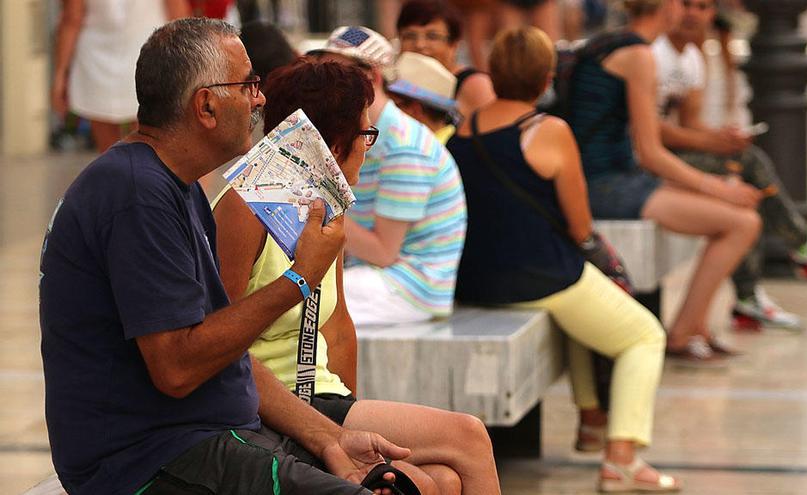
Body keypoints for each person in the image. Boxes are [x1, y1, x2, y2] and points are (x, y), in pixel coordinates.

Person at [39, 18, 414, 495]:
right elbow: (177, 369)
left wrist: (332, 439)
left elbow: (224, 351)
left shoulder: (173, 185)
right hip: (147, 459)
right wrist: (300, 278)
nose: (259, 98)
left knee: (408, 481)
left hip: (206, 435)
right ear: (207, 105)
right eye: (248, 85)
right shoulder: (136, 194)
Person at [213, 57, 500, 495]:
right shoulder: (243, 207)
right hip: (272, 404)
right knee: (467, 437)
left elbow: (339, 328)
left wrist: (354, 427)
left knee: (440, 479)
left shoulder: (325, 206)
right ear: (335, 140)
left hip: (322, 396)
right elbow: (221, 343)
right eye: (365, 134)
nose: (369, 146)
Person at [447, 26, 680, 493]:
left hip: (475, 280)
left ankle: (592, 422)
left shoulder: (460, 133)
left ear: (492, 73)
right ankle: (622, 460)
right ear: (547, 77)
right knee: (644, 336)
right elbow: (580, 227)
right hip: (541, 276)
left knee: (584, 317)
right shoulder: (549, 131)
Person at [564, 0, 762, 364]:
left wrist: (713, 185)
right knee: (742, 222)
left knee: (736, 208)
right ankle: (685, 332)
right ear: (668, 6)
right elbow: (650, 151)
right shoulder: (639, 54)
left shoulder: (609, 42)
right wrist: (717, 189)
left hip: (608, 178)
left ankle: (694, 327)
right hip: (606, 186)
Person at [654, 0, 807, 330]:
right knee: (746, 166)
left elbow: (689, 123)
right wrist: (714, 145)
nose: (693, 14)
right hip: (647, 161)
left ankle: (751, 294)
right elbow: (651, 133)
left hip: (670, 154)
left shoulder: (692, 58)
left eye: (703, 7)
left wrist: (723, 137)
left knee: (745, 185)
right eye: (686, 5)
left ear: (714, 15)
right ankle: (797, 243)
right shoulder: (652, 54)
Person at [310, 26, 468, 327]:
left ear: (372, 78)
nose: (323, 84)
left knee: (299, 304)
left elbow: (383, 252)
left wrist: (316, 205)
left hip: (410, 288)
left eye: (335, 74)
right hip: (381, 278)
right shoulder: (366, 133)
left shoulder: (403, 146)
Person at [51, 0, 190, 153]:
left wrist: (60, 73)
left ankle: (119, 175)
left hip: (96, 58)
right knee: (149, 146)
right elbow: (178, 14)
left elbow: (72, 18)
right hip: (149, 51)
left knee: (108, 152)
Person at [397, 0, 496, 120]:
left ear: (453, 45)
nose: (419, 44)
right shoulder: (393, 83)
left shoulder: (475, 86)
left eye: (432, 36)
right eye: (410, 36)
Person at [387, 51, 461, 143]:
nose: (385, 110)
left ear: (415, 109)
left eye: (392, 104)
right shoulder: (455, 142)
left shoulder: (421, 151)